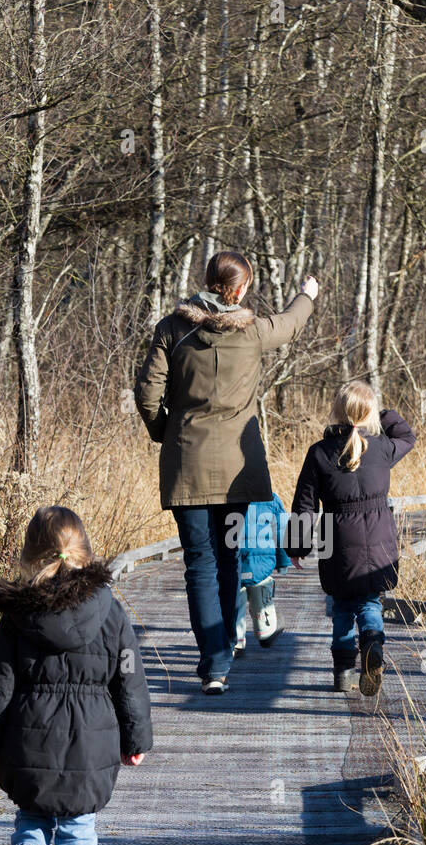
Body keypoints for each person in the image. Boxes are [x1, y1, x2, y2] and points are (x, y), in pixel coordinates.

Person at [0, 506, 152, 845]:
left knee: (32, 816)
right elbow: (129, 676)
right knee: (79, 832)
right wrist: (135, 737)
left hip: (29, 742)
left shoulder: (18, 618)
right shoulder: (111, 613)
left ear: (31, 556)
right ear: (85, 551)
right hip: (92, 745)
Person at [135, 251, 318, 694]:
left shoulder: (173, 329)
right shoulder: (254, 331)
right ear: (238, 290)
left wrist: (167, 433)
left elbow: (145, 394)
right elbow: (291, 323)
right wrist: (307, 294)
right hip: (238, 471)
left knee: (199, 563)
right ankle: (220, 660)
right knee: (228, 557)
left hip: (187, 467)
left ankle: (213, 663)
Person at [287, 381, 415, 696]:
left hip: (337, 545)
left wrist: (298, 546)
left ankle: (343, 673)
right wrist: (379, 414)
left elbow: (304, 505)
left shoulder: (319, 453)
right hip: (380, 543)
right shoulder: (382, 449)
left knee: (343, 607)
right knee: (370, 601)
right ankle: (372, 641)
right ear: (368, 413)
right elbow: (407, 435)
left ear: (336, 412)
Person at [234, 492, 291, 654]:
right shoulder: (270, 498)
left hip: (232, 562)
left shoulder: (226, 497)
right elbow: (281, 533)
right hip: (261, 564)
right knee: (261, 584)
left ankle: (236, 640)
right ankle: (265, 628)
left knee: (234, 597)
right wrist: (283, 561)